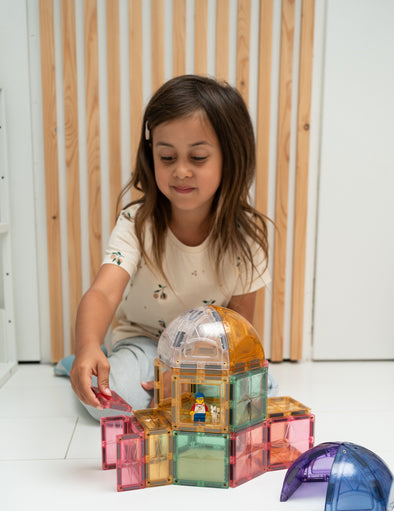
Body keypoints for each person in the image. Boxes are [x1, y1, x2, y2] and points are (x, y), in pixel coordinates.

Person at [57, 74, 274, 420]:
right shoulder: (137, 223)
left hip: (209, 352)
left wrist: (192, 371)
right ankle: (87, 362)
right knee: (105, 403)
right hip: (145, 343)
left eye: (198, 157)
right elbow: (103, 293)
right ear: (151, 156)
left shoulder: (246, 238)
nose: (181, 171)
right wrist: (86, 346)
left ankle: (148, 382)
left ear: (230, 158)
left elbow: (238, 328)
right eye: (167, 157)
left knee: (261, 392)